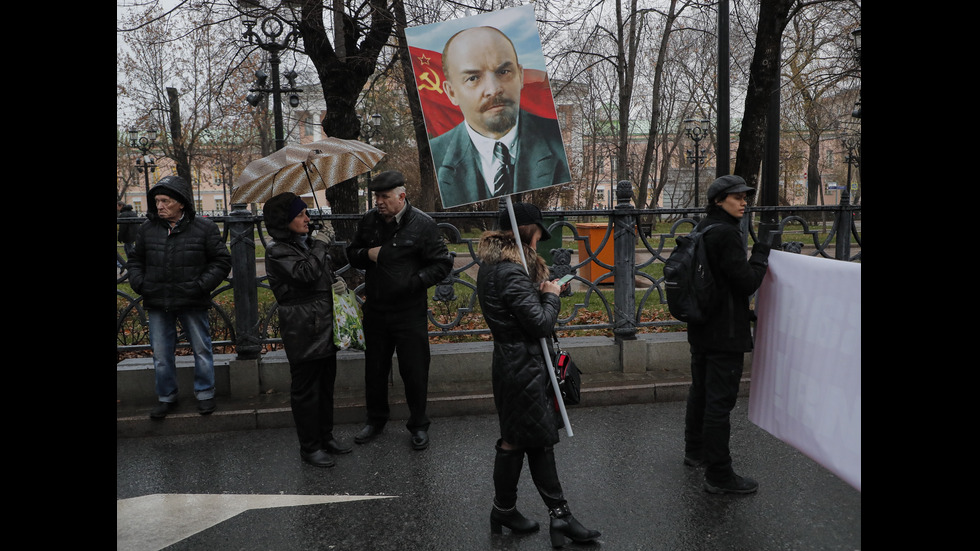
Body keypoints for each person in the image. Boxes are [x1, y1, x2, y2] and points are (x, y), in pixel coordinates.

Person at [475, 202, 600, 546]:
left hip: (513, 363)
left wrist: (541, 290)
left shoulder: (494, 266)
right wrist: (551, 295)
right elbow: (540, 323)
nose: (540, 239)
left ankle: (505, 509)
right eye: (538, 232)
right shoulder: (510, 271)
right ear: (527, 231)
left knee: (518, 439)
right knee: (537, 439)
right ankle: (560, 518)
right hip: (523, 365)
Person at [345, 171, 453, 450]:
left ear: (401, 196)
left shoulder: (423, 224)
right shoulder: (369, 221)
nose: (378, 202)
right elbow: (352, 252)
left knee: (414, 370)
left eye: (384, 197)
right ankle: (375, 420)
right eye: (376, 197)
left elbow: (442, 264)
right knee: (375, 369)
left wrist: (414, 283)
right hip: (377, 309)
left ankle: (418, 424)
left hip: (409, 311)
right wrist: (368, 254)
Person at [682, 175, 771, 494]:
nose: (744, 201)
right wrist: (761, 253)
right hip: (725, 332)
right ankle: (719, 476)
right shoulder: (727, 234)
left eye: (746, 196)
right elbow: (746, 282)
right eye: (736, 197)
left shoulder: (702, 228)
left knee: (701, 392)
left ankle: (695, 452)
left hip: (702, 327)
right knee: (719, 403)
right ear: (719, 200)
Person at [127, 175, 231, 419]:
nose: (159, 206)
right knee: (161, 354)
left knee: (201, 349)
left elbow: (221, 260)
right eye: (156, 201)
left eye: (165, 201)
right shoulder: (147, 229)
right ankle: (166, 397)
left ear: (181, 203)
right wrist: (140, 283)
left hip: (192, 299)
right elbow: (135, 260)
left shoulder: (204, 228)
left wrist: (200, 286)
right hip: (157, 300)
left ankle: (205, 394)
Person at [430, 26, 570, 208]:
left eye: (503, 72)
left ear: (520, 76)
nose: (493, 89)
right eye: (473, 78)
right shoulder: (439, 155)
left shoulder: (556, 145)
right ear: (451, 92)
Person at [263, 192, 353, 468]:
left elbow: (319, 274)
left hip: (324, 322)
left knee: (326, 385)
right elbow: (304, 274)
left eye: (306, 213)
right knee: (306, 389)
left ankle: (326, 437)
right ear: (284, 220)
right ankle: (309, 446)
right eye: (300, 214)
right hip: (302, 327)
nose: (307, 218)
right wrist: (320, 245)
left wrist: (336, 282)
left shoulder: (306, 244)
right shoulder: (277, 250)